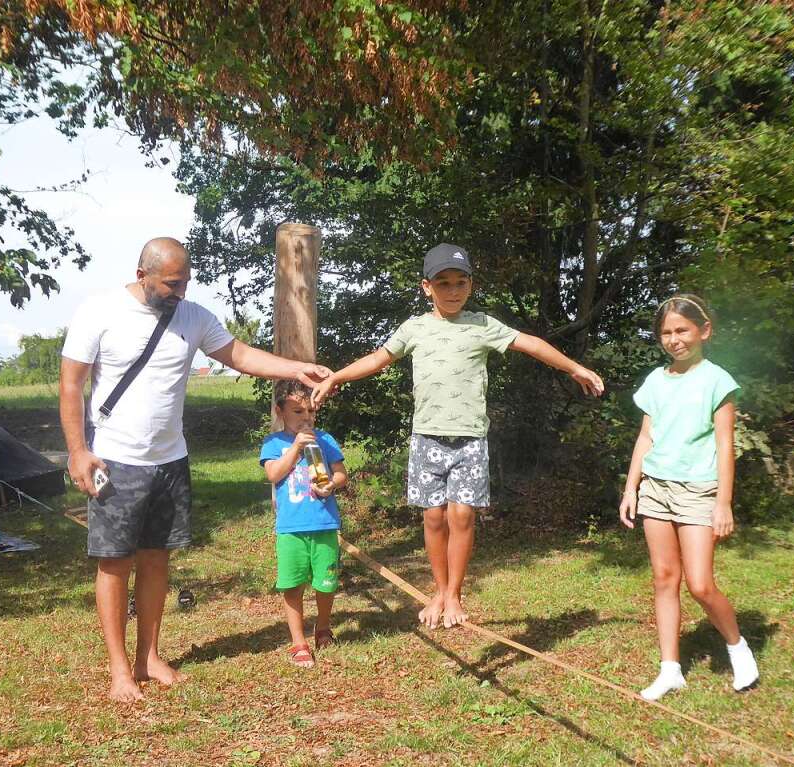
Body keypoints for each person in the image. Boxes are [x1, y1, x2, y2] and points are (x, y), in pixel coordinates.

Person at [59, 237, 331, 702]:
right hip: (115, 459)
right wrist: (78, 451)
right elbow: (70, 384)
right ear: (141, 273)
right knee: (115, 563)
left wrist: (299, 367)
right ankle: (119, 669)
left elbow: (239, 355)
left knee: (156, 559)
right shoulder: (98, 311)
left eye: (185, 282)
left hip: (170, 460)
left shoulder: (193, 316)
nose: (180, 291)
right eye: (171, 283)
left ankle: (149, 655)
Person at [311, 243, 604, 629]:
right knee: (433, 519)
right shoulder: (414, 328)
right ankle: (439, 589)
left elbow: (530, 343)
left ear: (471, 285)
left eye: (460, 282)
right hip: (427, 439)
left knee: (461, 516)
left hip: (469, 439)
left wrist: (573, 368)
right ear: (426, 287)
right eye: (443, 282)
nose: (452, 290)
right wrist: (336, 376)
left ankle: (454, 595)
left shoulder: (483, 326)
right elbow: (378, 359)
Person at [619, 294, 759, 700]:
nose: (674, 339)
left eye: (682, 330)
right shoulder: (655, 381)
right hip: (656, 489)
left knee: (699, 584)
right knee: (664, 579)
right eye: (666, 332)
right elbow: (645, 437)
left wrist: (723, 502)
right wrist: (631, 488)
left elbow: (724, 445)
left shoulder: (718, 381)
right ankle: (670, 669)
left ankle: (737, 646)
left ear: (704, 331)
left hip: (699, 491)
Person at [260, 380, 347, 667]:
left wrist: (331, 485)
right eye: (297, 411)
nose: (305, 418)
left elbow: (340, 474)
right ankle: (298, 642)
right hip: (291, 528)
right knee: (292, 584)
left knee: (326, 582)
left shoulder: (326, 440)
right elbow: (274, 475)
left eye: (310, 411)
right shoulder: (274, 444)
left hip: (323, 523)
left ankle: (323, 627)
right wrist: (296, 447)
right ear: (280, 411)